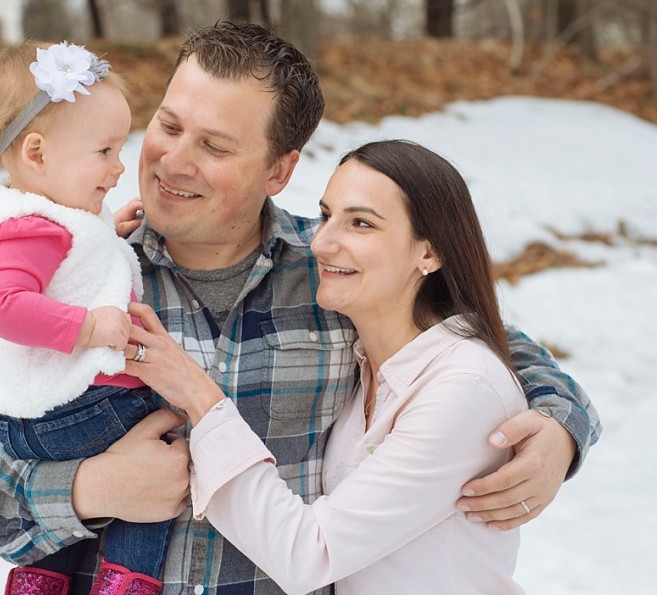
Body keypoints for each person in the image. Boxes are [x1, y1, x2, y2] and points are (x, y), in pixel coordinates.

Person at [0, 22, 601, 595]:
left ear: (278, 171)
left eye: (216, 146)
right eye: (168, 126)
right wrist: (90, 489)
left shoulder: (339, 271)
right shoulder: (80, 271)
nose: (173, 161)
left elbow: (486, 347)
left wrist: (558, 428)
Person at [125, 139, 528, 593]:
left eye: (360, 223)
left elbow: (309, 555)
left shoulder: (463, 388)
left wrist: (198, 396)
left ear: (429, 254)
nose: (321, 242)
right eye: (326, 215)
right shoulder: (367, 362)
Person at [0, 41, 170, 595]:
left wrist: (109, 230)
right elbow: (1, 305)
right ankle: (129, 578)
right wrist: (90, 327)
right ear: (37, 153)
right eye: (104, 150)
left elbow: (70, 262)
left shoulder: (47, 214)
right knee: (164, 442)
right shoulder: (35, 228)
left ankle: (42, 575)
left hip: (50, 418)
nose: (119, 165)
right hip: (70, 413)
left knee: (114, 463)